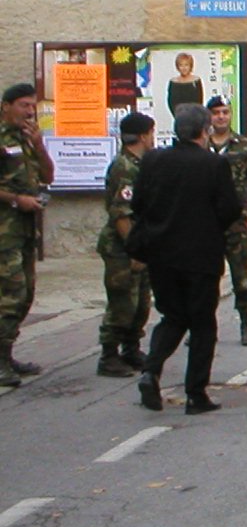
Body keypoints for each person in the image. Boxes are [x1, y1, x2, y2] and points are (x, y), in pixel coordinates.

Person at [132, 103, 242, 415]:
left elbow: (138, 202)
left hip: (161, 254)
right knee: (202, 324)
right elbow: (230, 209)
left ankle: (151, 371)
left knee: (172, 316)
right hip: (200, 255)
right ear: (204, 131)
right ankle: (196, 394)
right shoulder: (212, 164)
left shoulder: (153, 160)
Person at [0, 82, 56, 386]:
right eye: (24, 105)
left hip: (25, 230)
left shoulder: (27, 138)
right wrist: (14, 199)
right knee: (11, 294)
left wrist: (39, 145)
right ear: (6, 107)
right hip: (4, 231)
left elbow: (48, 175)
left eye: (33, 106)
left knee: (26, 294)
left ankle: (7, 355)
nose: (30, 112)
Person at [95, 112, 156, 377]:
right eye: (151, 133)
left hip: (140, 244)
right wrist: (134, 249)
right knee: (122, 301)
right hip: (122, 247)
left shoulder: (141, 164)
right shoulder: (125, 167)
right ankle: (109, 355)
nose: (153, 139)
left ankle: (131, 348)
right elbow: (121, 213)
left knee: (141, 302)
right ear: (143, 136)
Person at [206, 96, 247, 345]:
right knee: (205, 278)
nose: (221, 117)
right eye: (217, 112)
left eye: (225, 112)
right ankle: (203, 326)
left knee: (241, 275)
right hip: (206, 223)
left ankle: (246, 324)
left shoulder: (243, 145)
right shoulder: (199, 145)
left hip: (236, 221)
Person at [165, 52, 204, 118]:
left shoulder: (196, 80)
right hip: (179, 117)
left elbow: (200, 100)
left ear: (190, 66)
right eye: (181, 65)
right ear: (177, 67)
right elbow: (170, 102)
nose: (184, 68)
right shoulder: (173, 82)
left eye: (186, 65)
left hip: (194, 117)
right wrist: (177, 116)